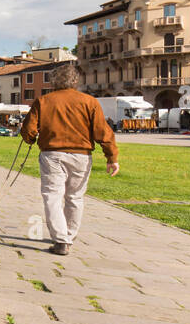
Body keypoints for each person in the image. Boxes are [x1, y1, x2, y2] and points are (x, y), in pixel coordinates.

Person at [19, 63, 120, 255]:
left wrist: (30, 138)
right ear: (75, 81)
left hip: (52, 154)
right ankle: (69, 237)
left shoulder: (43, 101)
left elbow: (28, 130)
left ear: (54, 81)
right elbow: (103, 132)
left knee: (53, 196)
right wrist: (111, 157)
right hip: (81, 156)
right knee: (75, 197)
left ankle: (60, 240)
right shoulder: (89, 102)